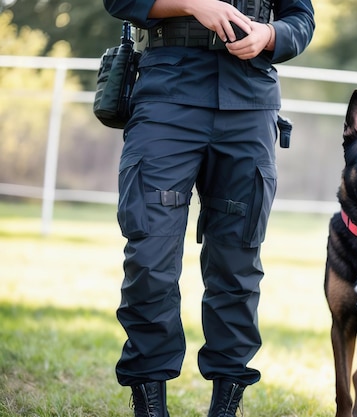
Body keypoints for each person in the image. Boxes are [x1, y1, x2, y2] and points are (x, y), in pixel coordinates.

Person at [101, 0, 315, 415]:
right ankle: (149, 405)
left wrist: (269, 36)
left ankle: (225, 407)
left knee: (237, 261)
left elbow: (302, 19)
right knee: (150, 255)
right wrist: (192, 4)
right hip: (167, 96)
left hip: (249, 102)